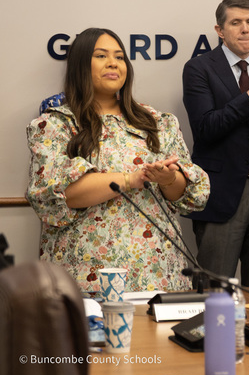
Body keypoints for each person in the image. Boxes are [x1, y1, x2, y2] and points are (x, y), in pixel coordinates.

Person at [26, 28, 209, 293]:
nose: (113, 63)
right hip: (87, 278)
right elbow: (60, 196)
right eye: (101, 56)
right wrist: (128, 179)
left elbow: (189, 196)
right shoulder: (56, 124)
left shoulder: (157, 123)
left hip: (158, 274)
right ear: (80, 65)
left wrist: (169, 179)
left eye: (120, 57)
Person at [182, 0, 249, 286]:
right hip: (222, 193)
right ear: (220, 30)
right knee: (213, 293)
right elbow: (205, 127)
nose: (245, 29)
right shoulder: (199, 68)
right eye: (236, 23)